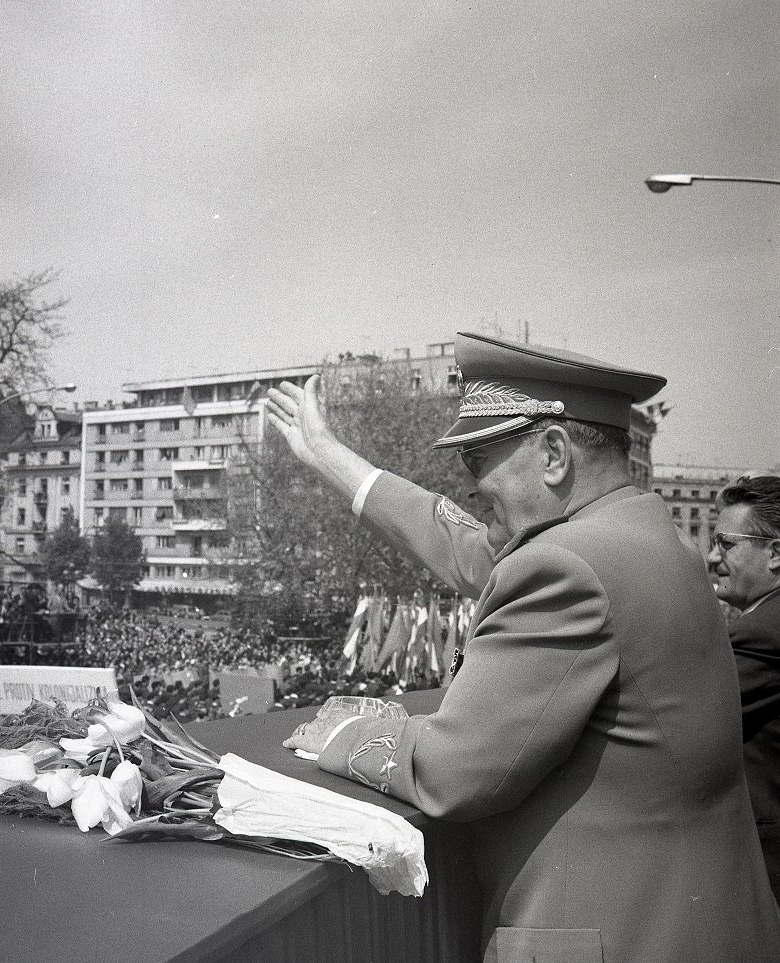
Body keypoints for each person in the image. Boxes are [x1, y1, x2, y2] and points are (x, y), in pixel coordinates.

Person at [267, 331, 780, 963]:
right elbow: (471, 546)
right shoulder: (643, 539)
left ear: (555, 454)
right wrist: (329, 456)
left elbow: (451, 774)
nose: (473, 485)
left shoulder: (569, 565)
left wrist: (343, 729)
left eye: (479, 459)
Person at [708, 475, 780, 900]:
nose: (712, 557)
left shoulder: (762, 634)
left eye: (726, 544)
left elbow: (691, 719)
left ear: (775, 553)